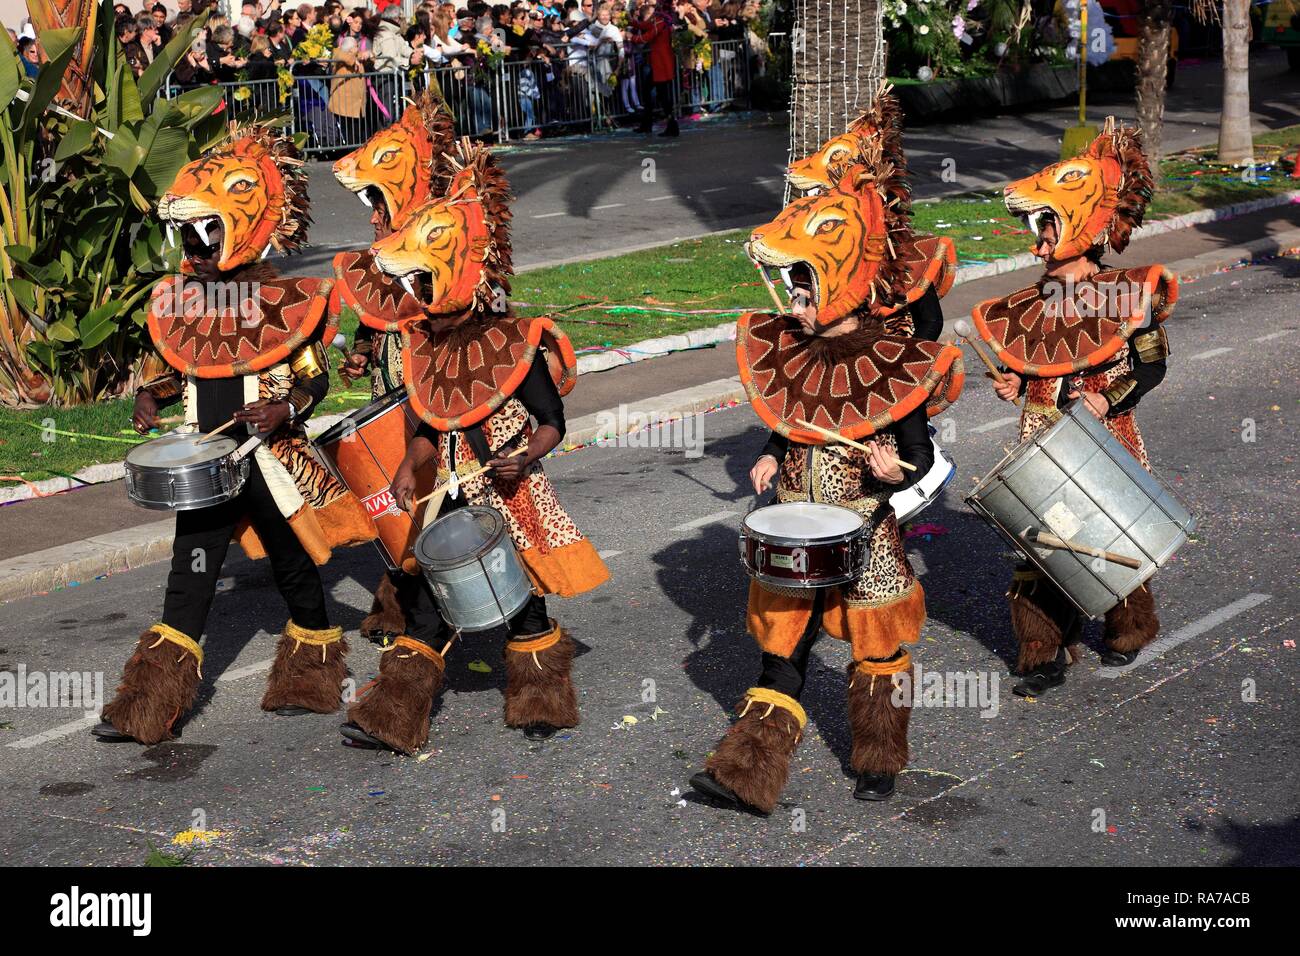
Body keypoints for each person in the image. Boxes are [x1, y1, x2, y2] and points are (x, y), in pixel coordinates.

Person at [688, 112, 965, 813]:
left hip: (865, 531)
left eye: (805, 286)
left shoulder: (894, 365)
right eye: (794, 287)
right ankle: (745, 775)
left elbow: (919, 457)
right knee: (781, 647)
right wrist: (770, 452)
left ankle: (879, 760)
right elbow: (792, 419)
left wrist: (886, 472)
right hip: (795, 527)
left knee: (875, 652)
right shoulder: (792, 348)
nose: (795, 298)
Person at [95, 128, 374, 746]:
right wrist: (152, 394)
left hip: (271, 464)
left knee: (294, 567)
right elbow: (177, 370)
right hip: (207, 464)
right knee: (188, 576)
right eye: (188, 237)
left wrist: (286, 410)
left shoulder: (289, 298)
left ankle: (311, 676)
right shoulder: (182, 299)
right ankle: (146, 709)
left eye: (208, 234)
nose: (194, 249)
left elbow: (313, 381)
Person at [340, 139, 610, 755]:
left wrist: (526, 455)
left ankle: (543, 703)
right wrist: (411, 467)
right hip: (450, 489)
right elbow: (432, 423)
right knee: (435, 603)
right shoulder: (423, 348)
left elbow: (552, 420)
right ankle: (393, 716)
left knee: (520, 604)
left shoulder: (516, 342)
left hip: (510, 489)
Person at [970, 118, 1175, 697]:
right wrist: (1012, 382)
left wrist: (1105, 396)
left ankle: (1130, 627)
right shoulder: (1023, 306)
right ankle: (1043, 652)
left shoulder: (1129, 293)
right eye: (1036, 230)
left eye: (1046, 227)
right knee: (1040, 543)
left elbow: (1152, 366)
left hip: (1104, 435)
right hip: (1038, 434)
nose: (1036, 243)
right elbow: (1027, 365)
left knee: (1109, 541)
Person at [329, 92, 457, 640]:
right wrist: (360, 346)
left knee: (439, 485)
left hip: (435, 369)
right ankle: (403, 600)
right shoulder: (384, 221)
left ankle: (454, 601)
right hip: (389, 370)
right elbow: (379, 295)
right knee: (393, 483)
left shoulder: (446, 219)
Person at [628, 0, 676, 136]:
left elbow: (648, 36)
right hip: (657, 63)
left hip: (661, 63)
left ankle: (672, 126)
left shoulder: (661, 21)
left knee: (664, 97)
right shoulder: (658, 19)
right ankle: (647, 124)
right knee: (647, 92)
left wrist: (633, 38)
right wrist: (629, 21)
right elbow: (644, 25)